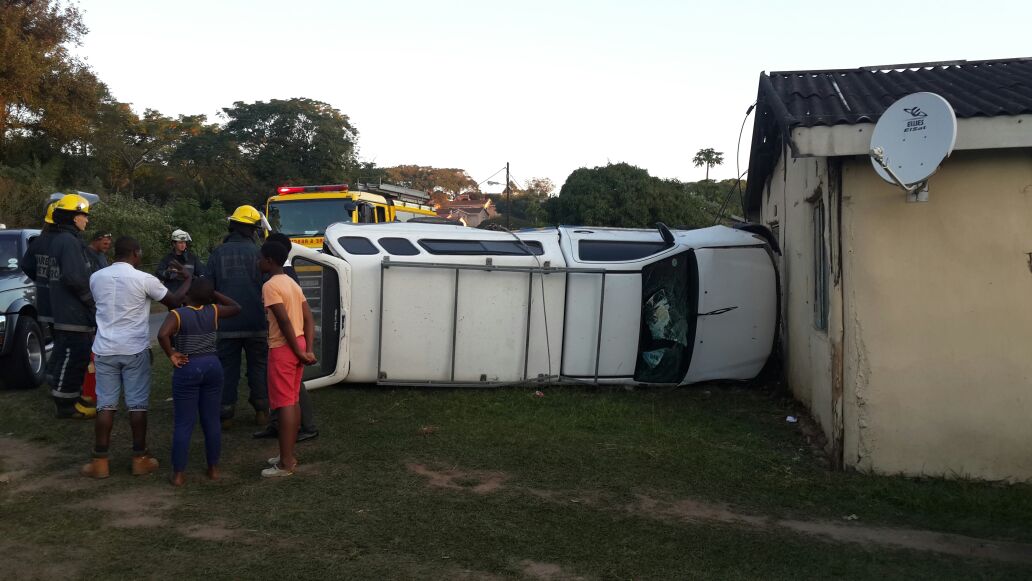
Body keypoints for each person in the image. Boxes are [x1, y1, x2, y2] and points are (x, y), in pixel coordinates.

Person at [80, 237, 193, 479]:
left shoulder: (96, 277)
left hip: (104, 349)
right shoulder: (143, 279)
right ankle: (139, 458)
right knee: (137, 404)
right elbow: (174, 301)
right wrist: (189, 279)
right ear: (134, 253)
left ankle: (100, 461)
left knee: (105, 405)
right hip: (134, 349)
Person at [157, 278, 241, 487]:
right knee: (211, 420)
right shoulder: (213, 311)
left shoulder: (178, 314)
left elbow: (162, 334)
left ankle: (178, 474)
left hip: (188, 367)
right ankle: (213, 468)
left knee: (184, 423)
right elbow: (236, 307)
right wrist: (214, 294)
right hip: (213, 365)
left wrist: (172, 353)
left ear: (188, 296)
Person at [205, 206, 269, 428]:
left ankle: (226, 414)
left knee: (226, 368)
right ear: (252, 229)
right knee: (259, 366)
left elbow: (207, 287)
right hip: (257, 322)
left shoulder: (217, 254)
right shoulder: (260, 254)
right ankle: (262, 410)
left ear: (232, 226)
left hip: (226, 324)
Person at [252, 232, 319, 443]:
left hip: (284, 345)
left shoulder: (273, 284)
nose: (257, 260)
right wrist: (307, 349)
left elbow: (284, 321)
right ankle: (283, 429)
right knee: (290, 398)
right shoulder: (292, 283)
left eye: (261, 256)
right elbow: (309, 318)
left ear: (270, 259)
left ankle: (287, 453)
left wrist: (300, 351)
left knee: (287, 400)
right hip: (297, 342)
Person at [41, 194, 99, 418]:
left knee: (75, 354)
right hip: (72, 312)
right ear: (75, 217)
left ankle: (72, 396)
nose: (87, 220)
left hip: (68, 311)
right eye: (85, 216)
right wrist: (90, 302)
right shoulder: (69, 242)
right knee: (73, 355)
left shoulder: (63, 240)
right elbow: (74, 277)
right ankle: (66, 405)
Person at [156, 229, 203, 300]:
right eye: (180, 242)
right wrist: (169, 273)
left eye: (184, 242)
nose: (183, 245)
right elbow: (159, 272)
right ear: (174, 244)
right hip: (173, 294)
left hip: (189, 294)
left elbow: (201, 273)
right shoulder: (167, 259)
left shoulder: (192, 258)